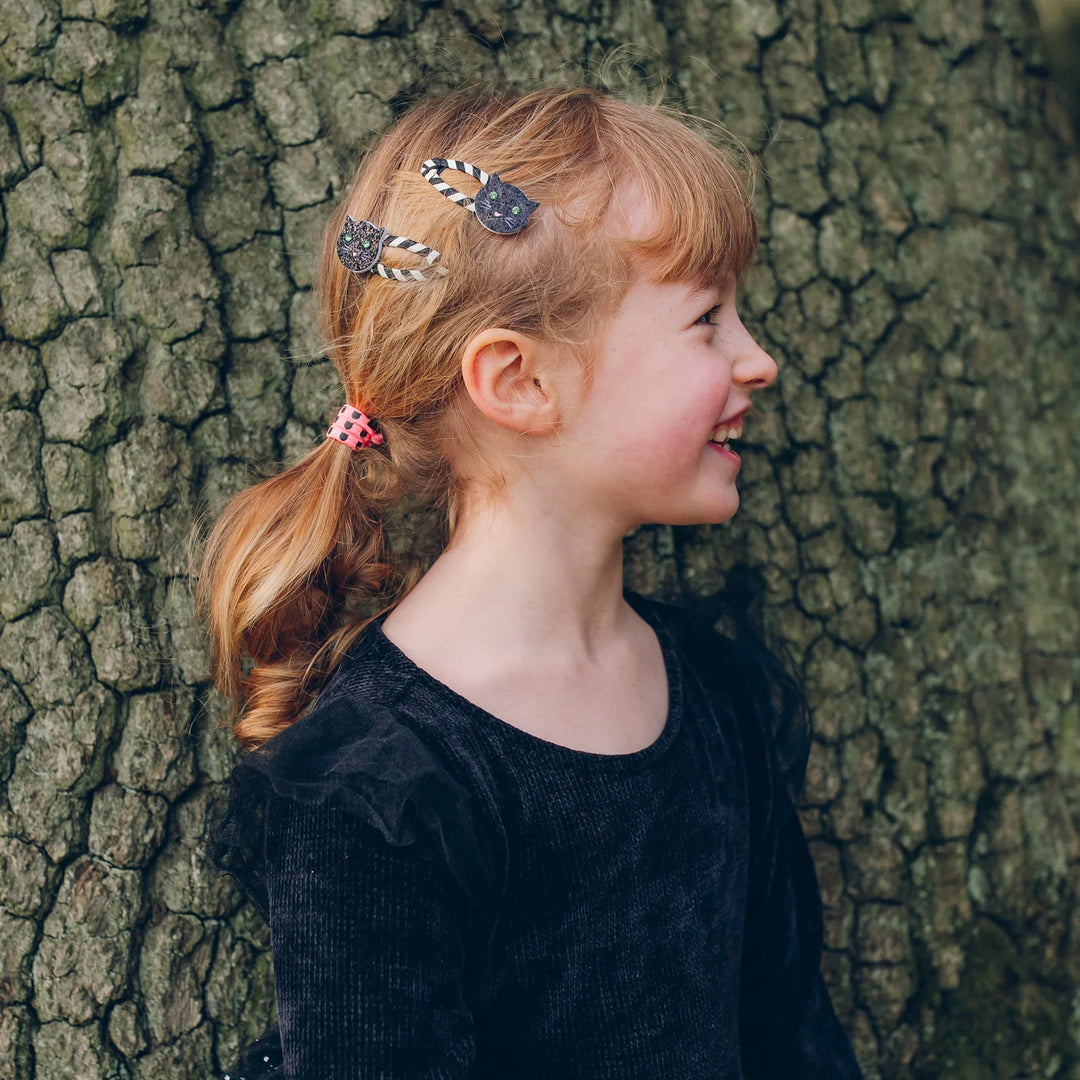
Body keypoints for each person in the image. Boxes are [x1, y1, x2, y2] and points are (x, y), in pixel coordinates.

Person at [196, 85, 864, 1080]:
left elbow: (792, 1036)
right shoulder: (377, 791)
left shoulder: (719, 695)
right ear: (518, 381)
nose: (758, 360)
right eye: (706, 321)